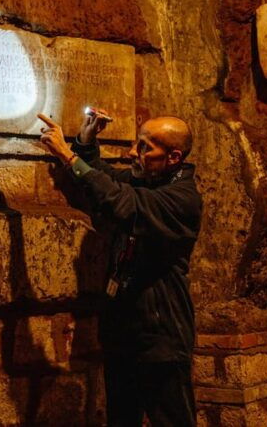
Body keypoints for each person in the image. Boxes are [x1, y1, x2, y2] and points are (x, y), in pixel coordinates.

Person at [39, 109, 202, 427]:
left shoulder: (182, 199)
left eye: (144, 147)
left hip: (161, 335)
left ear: (173, 157)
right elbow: (103, 178)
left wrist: (67, 156)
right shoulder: (150, 181)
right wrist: (85, 141)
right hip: (125, 331)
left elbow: (120, 202)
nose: (132, 154)